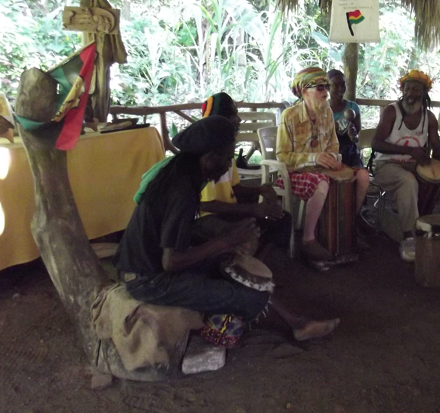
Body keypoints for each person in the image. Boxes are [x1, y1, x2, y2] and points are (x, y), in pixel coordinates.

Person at [113, 115, 339, 342]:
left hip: (147, 265)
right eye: (228, 157)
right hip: (147, 280)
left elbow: (173, 231)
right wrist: (226, 240)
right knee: (239, 295)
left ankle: (297, 323)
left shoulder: (180, 171)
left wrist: (225, 242)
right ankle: (296, 326)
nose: (230, 164)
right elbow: (170, 262)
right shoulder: (182, 191)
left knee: (227, 265)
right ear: (209, 157)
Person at [276, 67, 370, 270]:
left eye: (326, 87)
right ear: (304, 90)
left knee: (362, 175)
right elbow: (282, 156)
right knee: (321, 181)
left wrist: (333, 159)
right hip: (295, 173)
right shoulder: (289, 115)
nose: (326, 92)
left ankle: (346, 227)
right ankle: (308, 240)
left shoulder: (326, 113)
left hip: (321, 171)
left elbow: (334, 147)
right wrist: (314, 157)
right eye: (320, 88)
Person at [371, 70, 440, 261]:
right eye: (408, 88)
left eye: (416, 89)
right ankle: (409, 237)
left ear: (424, 93)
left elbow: (436, 147)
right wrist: (410, 152)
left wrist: (438, 152)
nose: (411, 93)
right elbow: (376, 144)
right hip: (387, 166)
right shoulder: (391, 112)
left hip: (415, 167)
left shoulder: (429, 118)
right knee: (408, 180)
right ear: (402, 90)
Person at [199, 92, 293, 260]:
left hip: (229, 211)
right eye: (234, 114)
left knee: (282, 219)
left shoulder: (226, 147)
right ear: (220, 119)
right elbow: (206, 205)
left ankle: (258, 268)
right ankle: (244, 269)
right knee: (245, 230)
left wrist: (261, 189)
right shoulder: (206, 153)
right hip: (207, 218)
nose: (239, 119)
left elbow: (234, 189)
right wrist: (252, 208)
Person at [328, 69, 363, 168]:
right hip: (330, 152)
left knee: (359, 175)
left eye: (343, 84)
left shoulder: (353, 107)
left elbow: (356, 137)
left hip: (350, 152)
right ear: (327, 87)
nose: (340, 88)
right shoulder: (323, 110)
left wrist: (353, 135)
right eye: (336, 85)